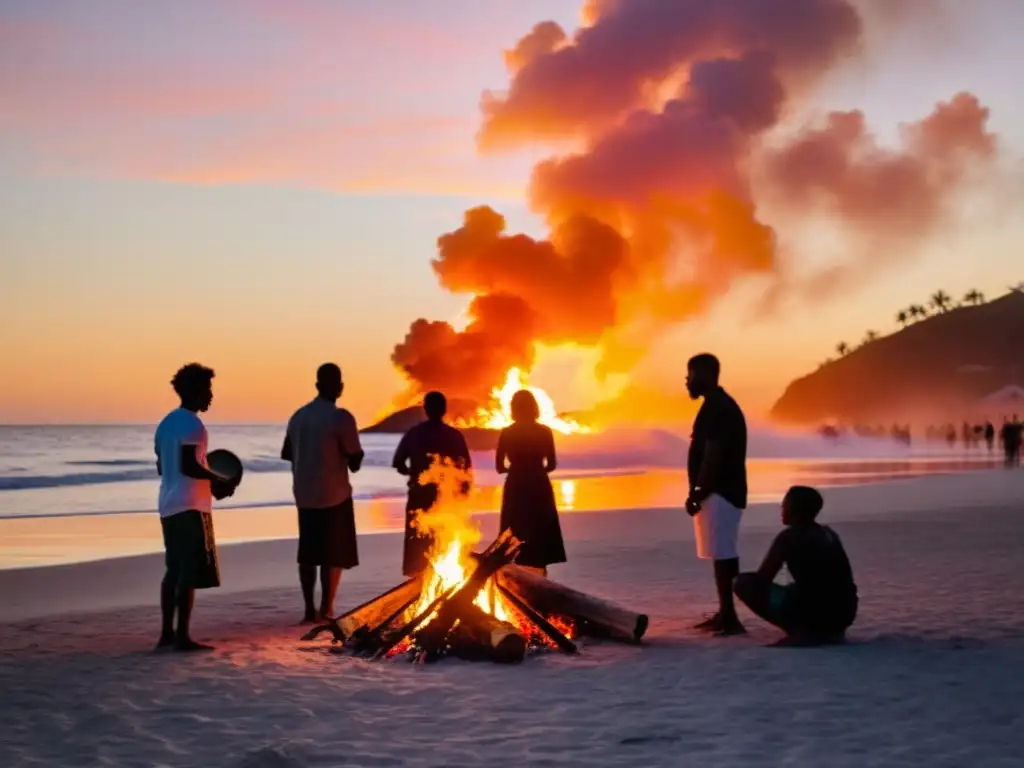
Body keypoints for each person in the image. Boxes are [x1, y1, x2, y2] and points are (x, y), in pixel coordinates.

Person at [154, 363, 236, 652]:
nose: (211, 396)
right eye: (207, 390)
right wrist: (220, 479)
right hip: (190, 505)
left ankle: (167, 634)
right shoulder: (192, 424)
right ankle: (183, 637)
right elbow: (189, 464)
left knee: (173, 570)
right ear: (195, 391)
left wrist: (208, 478)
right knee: (187, 572)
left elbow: (163, 466)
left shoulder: (165, 424)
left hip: (168, 504)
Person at [282, 363, 364, 623]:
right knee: (332, 553)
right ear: (339, 387)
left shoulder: (298, 416)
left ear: (317, 386)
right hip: (334, 493)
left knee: (308, 553)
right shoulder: (341, 417)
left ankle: (308, 610)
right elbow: (355, 461)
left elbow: (286, 453)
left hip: (304, 492)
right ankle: (325, 609)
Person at [733, 486, 858, 646]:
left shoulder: (789, 537)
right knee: (805, 590)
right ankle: (822, 629)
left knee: (744, 583)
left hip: (813, 612)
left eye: (784, 504)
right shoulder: (829, 534)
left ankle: (802, 631)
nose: (782, 509)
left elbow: (763, 579)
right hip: (844, 613)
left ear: (793, 508)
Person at [685, 353, 748, 637]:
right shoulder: (715, 405)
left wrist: (698, 491)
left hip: (721, 491)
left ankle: (730, 617)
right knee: (721, 553)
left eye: (691, 375)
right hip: (722, 490)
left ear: (707, 375)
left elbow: (714, 455)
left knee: (723, 554)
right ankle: (725, 611)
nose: (687, 380)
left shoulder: (719, 408)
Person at [392, 391, 472, 576]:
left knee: (418, 544)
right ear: (444, 410)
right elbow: (466, 468)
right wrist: (463, 494)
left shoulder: (414, 434)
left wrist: (414, 474)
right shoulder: (455, 436)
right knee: (443, 541)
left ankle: (420, 587)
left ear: (425, 409)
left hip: (419, 495)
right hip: (446, 497)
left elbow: (398, 462)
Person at [495, 390, 566, 575]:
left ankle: (515, 575)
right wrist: (535, 468)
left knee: (515, 530)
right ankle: (541, 577)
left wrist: (515, 468)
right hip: (538, 484)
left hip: (516, 485)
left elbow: (499, 467)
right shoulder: (544, 432)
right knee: (540, 531)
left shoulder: (507, 433)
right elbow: (551, 464)